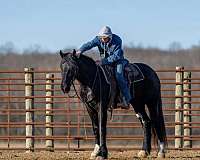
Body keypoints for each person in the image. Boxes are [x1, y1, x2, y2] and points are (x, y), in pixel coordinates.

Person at [76, 26, 132, 107]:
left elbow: (116, 56)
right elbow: (89, 44)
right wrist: (80, 50)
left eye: (105, 38)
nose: (102, 40)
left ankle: (127, 99)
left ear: (110, 37)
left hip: (118, 61)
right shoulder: (98, 39)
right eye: (101, 38)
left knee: (119, 75)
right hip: (105, 62)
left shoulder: (117, 40)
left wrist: (102, 62)